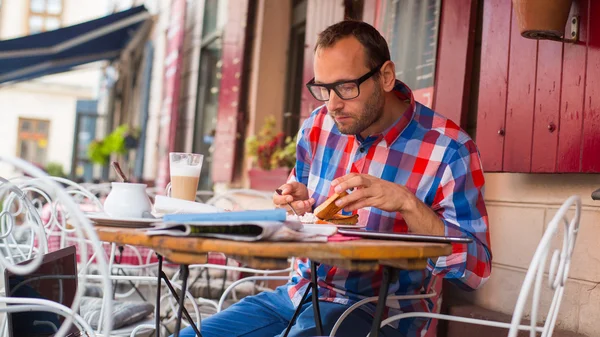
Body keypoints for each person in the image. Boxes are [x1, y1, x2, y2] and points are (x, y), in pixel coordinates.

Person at [175, 20, 491, 337]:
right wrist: (295, 203)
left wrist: (408, 204)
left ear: (385, 76)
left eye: (346, 87)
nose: (333, 104)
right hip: (296, 297)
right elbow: (302, 210)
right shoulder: (317, 126)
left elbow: (476, 270)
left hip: (379, 314)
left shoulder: (450, 148)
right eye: (324, 89)